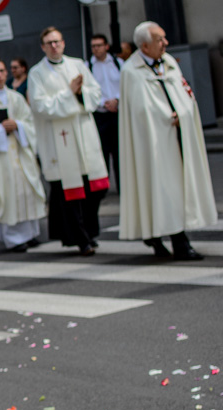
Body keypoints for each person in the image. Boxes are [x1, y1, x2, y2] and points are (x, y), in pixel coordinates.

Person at [118, 21, 218, 260]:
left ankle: (167, 237)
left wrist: (182, 113)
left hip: (177, 137)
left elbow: (184, 94)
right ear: (144, 46)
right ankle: (176, 242)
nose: (166, 43)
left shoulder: (169, 62)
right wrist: (165, 116)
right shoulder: (131, 72)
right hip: (151, 143)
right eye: (159, 40)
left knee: (177, 187)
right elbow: (139, 111)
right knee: (161, 188)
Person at [27, 26, 108, 256]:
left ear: (63, 43)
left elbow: (95, 93)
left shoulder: (78, 65)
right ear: (43, 47)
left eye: (57, 41)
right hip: (59, 140)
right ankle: (81, 238)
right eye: (49, 43)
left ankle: (90, 231)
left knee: (95, 189)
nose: (54, 46)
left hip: (84, 134)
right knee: (70, 193)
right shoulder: (37, 73)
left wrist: (81, 94)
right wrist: (69, 93)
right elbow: (40, 106)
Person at [0, 58, 46, 251]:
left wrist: (18, 125)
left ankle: (30, 233)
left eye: (2, 71)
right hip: (0, 156)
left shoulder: (15, 98)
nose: (0, 75)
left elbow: (29, 122)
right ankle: (14, 238)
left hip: (20, 151)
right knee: (9, 195)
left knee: (26, 191)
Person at [88, 33, 124, 191]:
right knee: (102, 150)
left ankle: (123, 185)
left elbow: (125, 84)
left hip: (117, 112)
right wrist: (103, 103)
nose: (96, 49)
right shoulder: (88, 66)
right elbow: (89, 91)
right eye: (93, 46)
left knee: (119, 151)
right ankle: (103, 187)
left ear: (106, 46)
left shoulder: (118, 63)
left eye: (99, 45)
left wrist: (117, 100)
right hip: (100, 115)